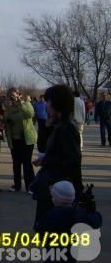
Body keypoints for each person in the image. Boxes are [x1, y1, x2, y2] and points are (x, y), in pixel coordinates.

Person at [32, 85, 83, 228]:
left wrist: (47, 160)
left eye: (48, 103)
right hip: (53, 191)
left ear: (57, 105)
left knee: (54, 239)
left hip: (59, 194)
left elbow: (72, 161)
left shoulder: (66, 129)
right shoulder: (59, 126)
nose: (46, 107)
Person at [35, 181, 102, 263]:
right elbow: (96, 221)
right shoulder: (79, 214)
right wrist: (91, 210)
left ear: (56, 199)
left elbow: (40, 229)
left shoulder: (51, 215)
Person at [5, 88, 36, 192]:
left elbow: (30, 114)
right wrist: (6, 108)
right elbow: (6, 120)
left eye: (14, 95)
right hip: (14, 139)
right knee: (16, 163)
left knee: (27, 163)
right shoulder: (9, 108)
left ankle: (30, 186)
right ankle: (17, 185)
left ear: (19, 95)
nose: (12, 97)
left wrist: (22, 103)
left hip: (27, 139)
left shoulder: (26, 104)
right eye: (10, 95)